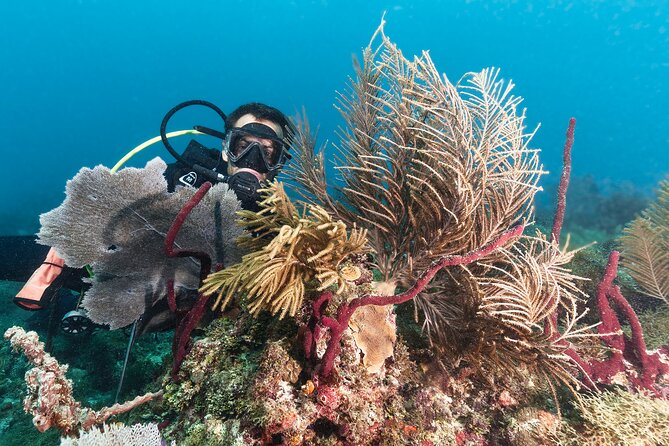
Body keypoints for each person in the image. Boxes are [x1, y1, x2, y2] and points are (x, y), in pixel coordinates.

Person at [10, 102, 294, 325]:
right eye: (243, 147)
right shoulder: (184, 178)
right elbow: (106, 217)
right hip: (120, 280)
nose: (252, 161)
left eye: (267, 153)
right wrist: (53, 267)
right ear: (225, 149)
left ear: (278, 164)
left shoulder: (278, 221)